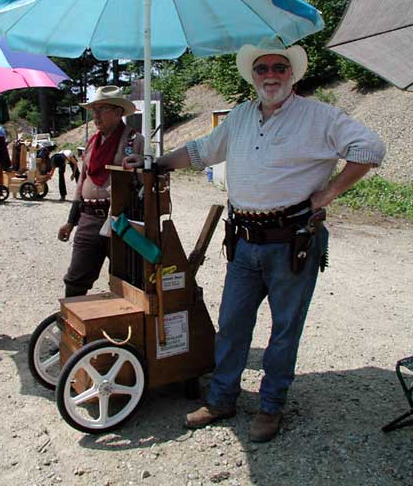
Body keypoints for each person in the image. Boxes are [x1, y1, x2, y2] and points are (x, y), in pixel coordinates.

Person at [123, 42, 386, 443]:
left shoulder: (320, 116)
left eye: (279, 68)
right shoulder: (242, 115)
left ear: (292, 75)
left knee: (283, 331)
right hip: (245, 240)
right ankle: (222, 398)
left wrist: (328, 194)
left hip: (293, 242)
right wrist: (155, 163)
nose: (271, 75)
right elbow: (201, 151)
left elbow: (370, 149)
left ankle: (270, 406)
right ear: (253, 76)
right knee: (231, 324)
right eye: (262, 68)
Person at [58, 86, 144, 298]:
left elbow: (142, 182)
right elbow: (81, 182)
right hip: (88, 217)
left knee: (126, 280)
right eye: (93, 110)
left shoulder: (133, 140)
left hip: (120, 219)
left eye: (101, 109)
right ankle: (72, 326)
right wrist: (71, 221)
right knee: (76, 278)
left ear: (118, 112)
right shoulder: (92, 143)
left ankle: (123, 327)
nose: (95, 115)